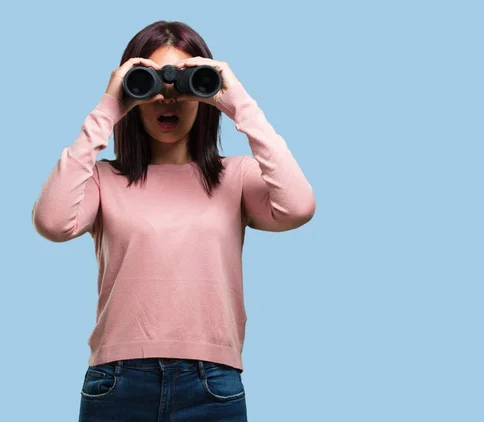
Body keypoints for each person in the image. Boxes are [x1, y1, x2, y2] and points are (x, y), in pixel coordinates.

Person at [32, 20, 316, 421]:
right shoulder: (100, 179)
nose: (168, 98)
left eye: (184, 84)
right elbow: (52, 221)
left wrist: (238, 101)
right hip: (117, 381)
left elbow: (299, 206)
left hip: (212, 383)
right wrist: (108, 109)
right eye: (150, 83)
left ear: (203, 91)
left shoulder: (236, 177)